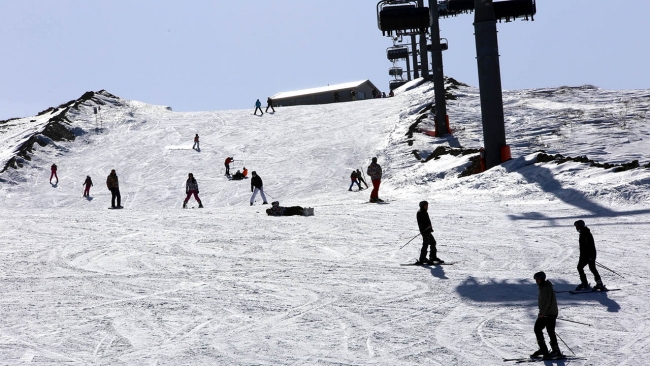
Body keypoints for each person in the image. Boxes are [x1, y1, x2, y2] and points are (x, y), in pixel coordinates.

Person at [531, 271, 562, 359]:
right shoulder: (543, 287)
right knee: (549, 330)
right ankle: (551, 350)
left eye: (538, 279)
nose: (537, 281)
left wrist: (542, 312)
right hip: (549, 313)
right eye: (536, 279)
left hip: (549, 314)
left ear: (542, 279)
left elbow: (547, 301)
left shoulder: (546, 287)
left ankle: (548, 349)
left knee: (538, 328)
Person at [574, 220, 607, 291]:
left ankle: (586, 283)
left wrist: (590, 256)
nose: (576, 228)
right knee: (590, 268)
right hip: (586, 255)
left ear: (581, 226)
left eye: (577, 226)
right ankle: (598, 283)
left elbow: (590, 246)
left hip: (588, 255)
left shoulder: (585, 234)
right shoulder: (584, 233)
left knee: (581, 267)